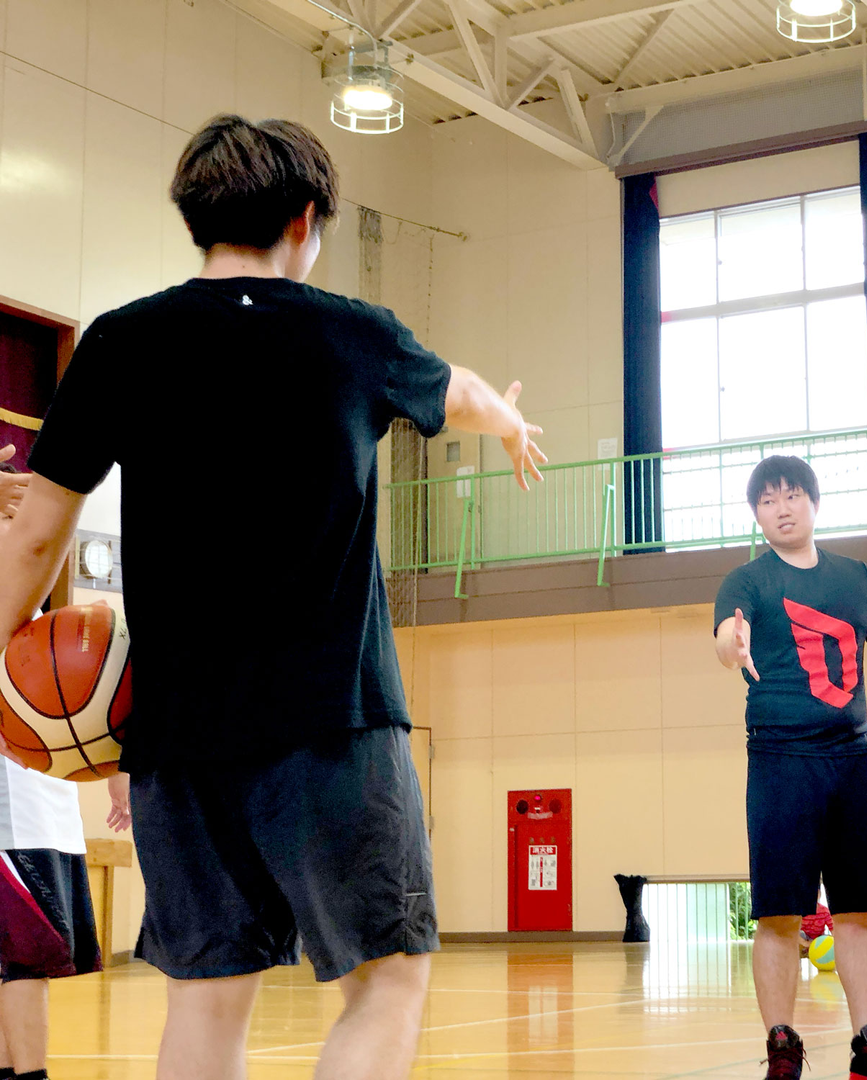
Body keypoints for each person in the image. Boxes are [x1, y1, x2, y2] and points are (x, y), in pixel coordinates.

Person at [0, 115, 546, 1080]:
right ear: (305, 219)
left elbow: (37, 535)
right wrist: (507, 422)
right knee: (387, 982)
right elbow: (458, 390)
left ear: (196, 216)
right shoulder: (357, 334)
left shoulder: (122, 341)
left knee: (206, 1005)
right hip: (334, 722)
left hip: (176, 738)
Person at [714, 455, 867, 1080]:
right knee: (778, 916)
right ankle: (782, 1051)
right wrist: (732, 645)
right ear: (756, 515)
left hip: (852, 760)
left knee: (857, 911)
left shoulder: (859, 578)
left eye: (791, 495)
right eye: (768, 500)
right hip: (779, 759)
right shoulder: (745, 582)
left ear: (814, 502)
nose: (781, 508)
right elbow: (725, 639)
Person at [0, 451, 130, 1080]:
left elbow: (101, 686)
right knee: (18, 954)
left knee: (20, 954)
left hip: (30, 789)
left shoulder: (37, 605)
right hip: (24, 788)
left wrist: (119, 768)